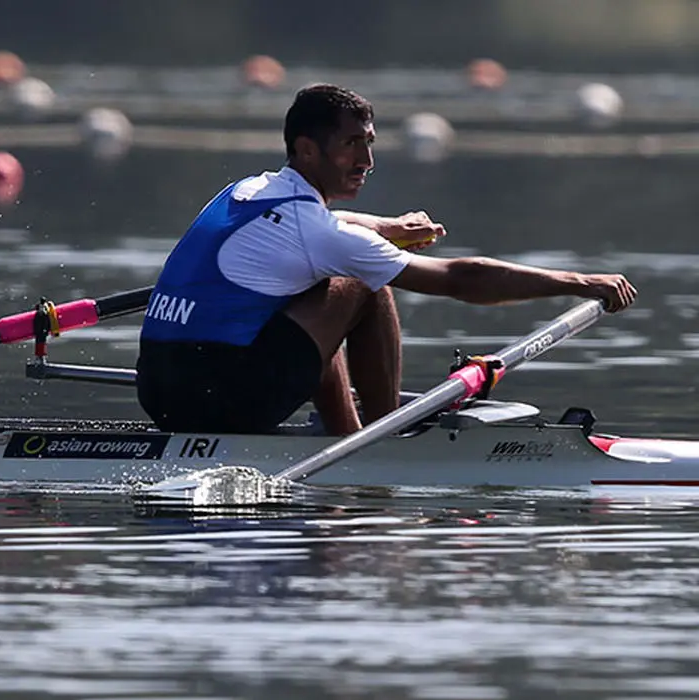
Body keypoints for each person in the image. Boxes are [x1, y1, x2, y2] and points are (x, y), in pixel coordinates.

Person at [135, 83, 637, 436]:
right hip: (220, 402)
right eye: (352, 145)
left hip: (159, 393)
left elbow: (331, 230)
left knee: (320, 281)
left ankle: (345, 432)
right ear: (307, 150)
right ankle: (376, 436)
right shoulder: (318, 233)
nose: (367, 162)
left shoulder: (246, 191)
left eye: (369, 144)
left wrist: (388, 227)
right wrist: (577, 281)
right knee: (363, 283)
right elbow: (461, 279)